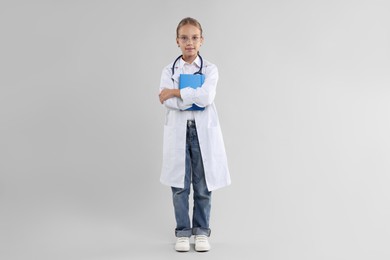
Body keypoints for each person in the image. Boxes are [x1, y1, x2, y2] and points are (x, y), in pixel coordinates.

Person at [158, 17, 231, 252]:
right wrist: (189, 97)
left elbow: (206, 98)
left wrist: (176, 92)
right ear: (177, 41)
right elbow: (166, 101)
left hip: (202, 133)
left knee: (202, 184)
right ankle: (182, 232)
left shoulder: (210, 69)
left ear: (202, 40)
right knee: (179, 185)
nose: (190, 42)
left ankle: (201, 231)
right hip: (180, 131)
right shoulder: (168, 70)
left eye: (194, 37)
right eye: (184, 38)